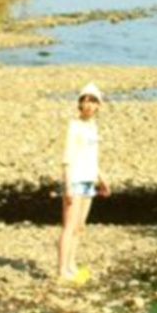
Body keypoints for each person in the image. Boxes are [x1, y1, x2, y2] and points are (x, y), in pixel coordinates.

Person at [58, 83, 109, 284]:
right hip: (76, 180)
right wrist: (68, 185)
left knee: (80, 227)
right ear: (80, 104)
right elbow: (67, 157)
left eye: (93, 100)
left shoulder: (93, 127)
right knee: (69, 227)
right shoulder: (74, 125)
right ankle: (62, 271)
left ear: (99, 106)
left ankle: (71, 265)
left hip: (89, 180)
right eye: (85, 100)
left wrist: (102, 179)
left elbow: (91, 157)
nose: (89, 104)